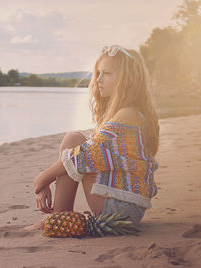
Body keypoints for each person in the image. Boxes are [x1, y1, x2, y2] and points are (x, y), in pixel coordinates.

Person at [24, 44, 160, 231]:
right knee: (76, 143)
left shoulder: (128, 114)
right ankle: (58, 216)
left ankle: (58, 216)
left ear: (126, 79)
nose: (98, 80)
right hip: (125, 206)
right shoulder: (128, 113)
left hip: (120, 210)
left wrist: (44, 178)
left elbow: (86, 154)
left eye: (106, 73)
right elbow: (92, 153)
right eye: (97, 73)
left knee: (74, 143)